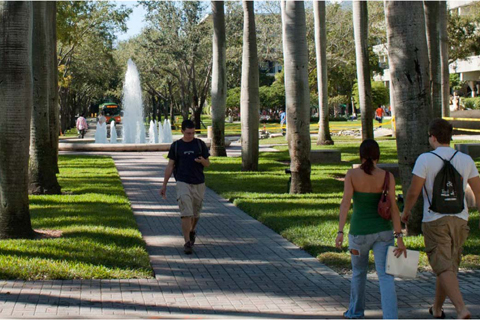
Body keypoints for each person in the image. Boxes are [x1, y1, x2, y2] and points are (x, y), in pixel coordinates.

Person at [401, 119, 480, 319]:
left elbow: (413, 191)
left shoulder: (425, 159)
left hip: (435, 219)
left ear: (433, 137)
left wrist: (406, 211)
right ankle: (437, 309)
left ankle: (461, 309)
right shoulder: (465, 160)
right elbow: (478, 191)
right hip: (460, 219)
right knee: (448, 266)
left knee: (443, 266)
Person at [336, 139, 406, 319]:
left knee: (358, 273)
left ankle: (355, 312)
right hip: (384, 233)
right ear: (378, 156)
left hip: (358, 234)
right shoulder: (387, 176)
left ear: (360, 156)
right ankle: (391, 317)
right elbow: (394, 208)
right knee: (386, 276)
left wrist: (340, 231)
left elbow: (345, 204)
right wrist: (399, 236)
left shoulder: (352, 175)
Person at [160, 120, 210, 255]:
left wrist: (202, 161)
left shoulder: (200, 144)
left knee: (195, 213)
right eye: (188, 133)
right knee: (186, 212)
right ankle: (187, 242)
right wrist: (164, 185)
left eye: (193, 133)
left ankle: (192, 230)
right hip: (182, 182)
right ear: (182, 131)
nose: (191, 135)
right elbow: (170, 166)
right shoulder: (176, 146)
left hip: (199, 182)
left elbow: (207, 164)